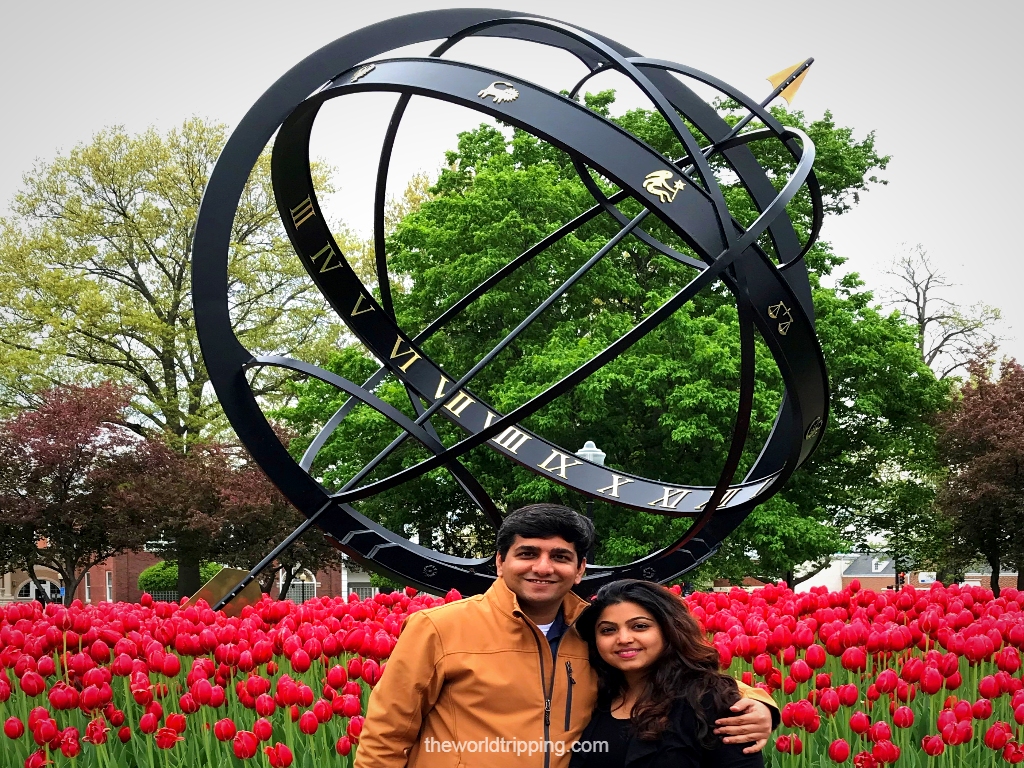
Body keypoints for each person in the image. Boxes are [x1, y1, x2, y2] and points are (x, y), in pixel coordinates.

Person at [355, 504, 776, 768]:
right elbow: (386, 735)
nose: (543, 567)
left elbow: (672, 671)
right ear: (500, 562)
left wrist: (759, 703)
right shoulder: (439, 628)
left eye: (560, 556)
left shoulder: (596, 628)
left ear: (580, 569)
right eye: (527, 554)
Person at [570, 579, 764, 768]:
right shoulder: (594, 694)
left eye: (640, 626)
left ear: (668, 629)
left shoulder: (709, 701)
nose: (623, 638)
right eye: (608, 630)